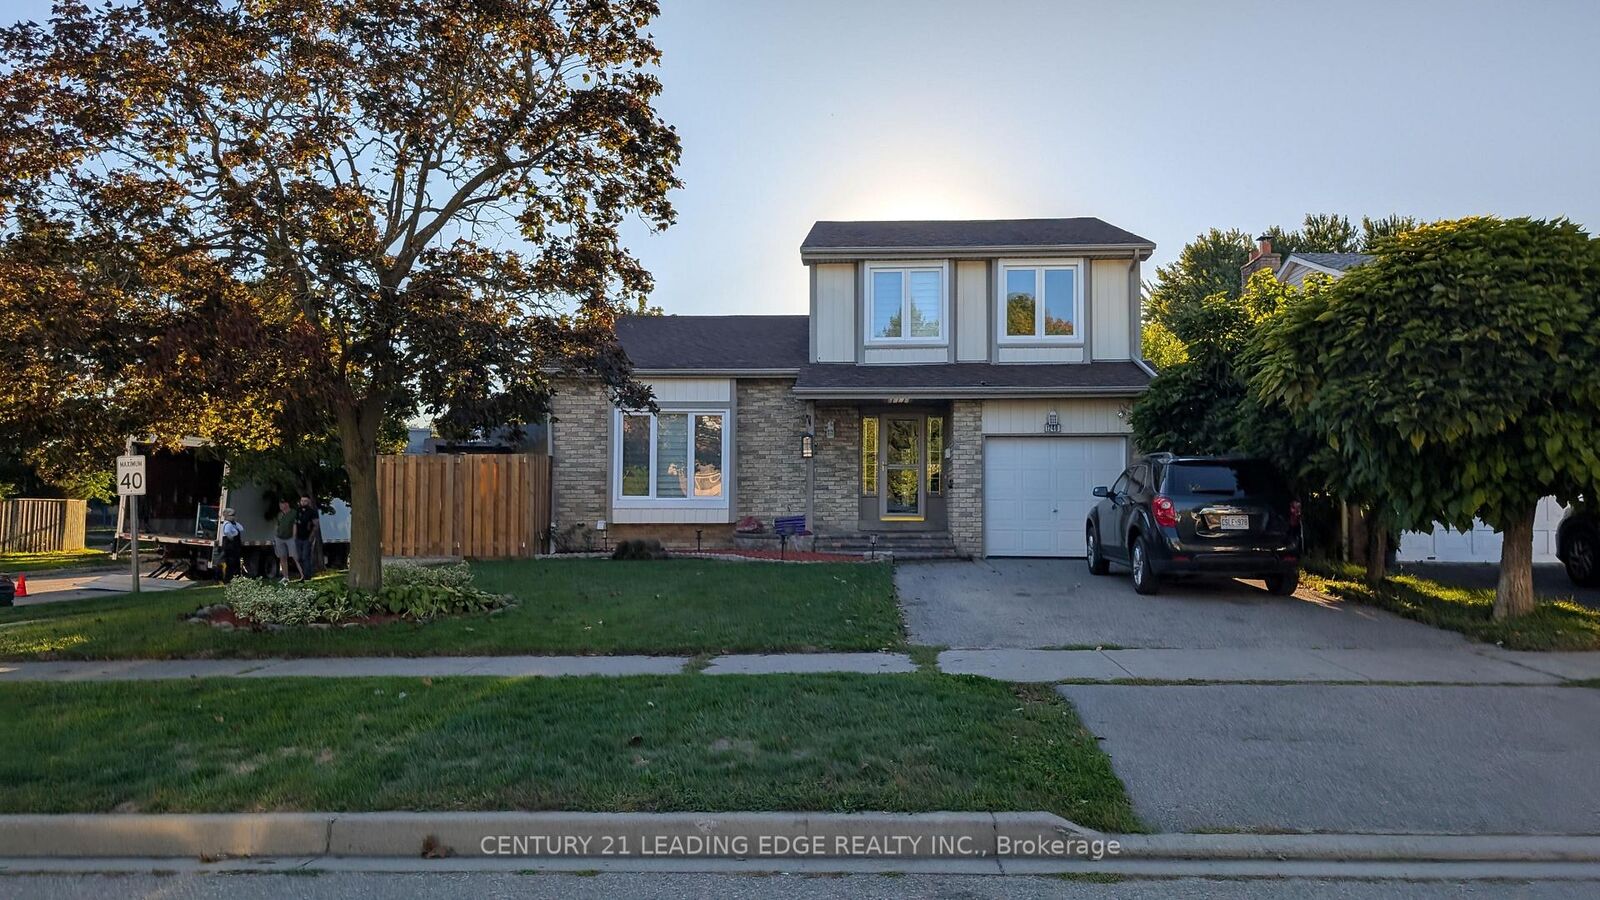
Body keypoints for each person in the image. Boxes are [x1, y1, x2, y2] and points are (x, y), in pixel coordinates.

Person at [294, 495, 321, 582]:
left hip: (307, 538)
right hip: (298, 538)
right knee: (299, 557)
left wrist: (311, 537)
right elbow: (294, 524)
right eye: (302, 501)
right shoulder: (297, 511)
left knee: (306, 557)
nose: (303, 502)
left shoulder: (312, 512)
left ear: (309, 502)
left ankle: (307, 576)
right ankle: (302, 575)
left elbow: (316, 525)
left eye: (305, 501)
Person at [274, 499, 299, 584]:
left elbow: (295, 525)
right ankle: (285, 577)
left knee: (295, 556)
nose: (280, 506)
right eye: (279, 504)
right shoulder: (280, 515)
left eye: (282, 504)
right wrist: (276, 534)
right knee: (282, 557)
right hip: (280, 538)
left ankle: (303, 574)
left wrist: (294, 537)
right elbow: (277, 525)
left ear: (287, 504)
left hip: (290, 538)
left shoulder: (293, 513)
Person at [219, 508, 246, 583]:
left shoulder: (233, 524)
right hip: (230, 547)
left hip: (235, 548)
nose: (233, 517)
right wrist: (231, 537)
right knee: (230, 564)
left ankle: (236, 578)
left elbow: (241, 528)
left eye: (234, 515)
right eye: (231, 515)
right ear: (226, 516)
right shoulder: (227, 524)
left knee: (237, 563)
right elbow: (227, 532)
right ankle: (228, 580)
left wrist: (235, 522)